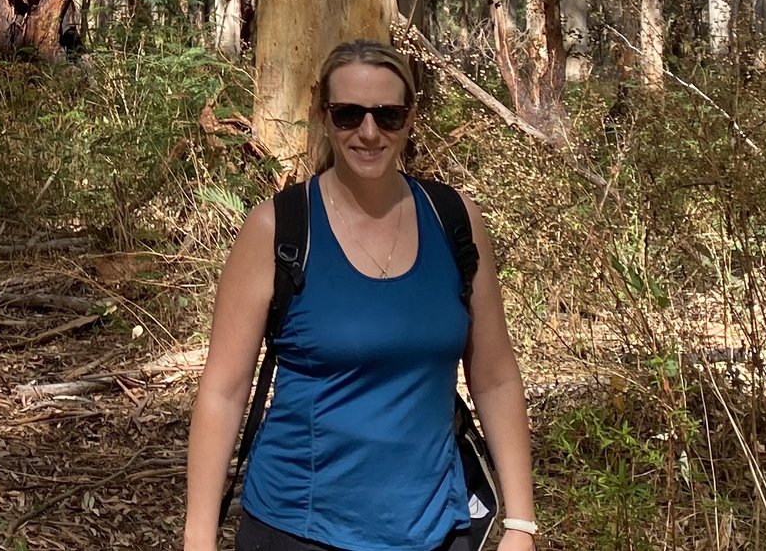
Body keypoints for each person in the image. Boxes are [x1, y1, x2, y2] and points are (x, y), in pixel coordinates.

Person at [182, 39, 539, 551]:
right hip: (300, 528)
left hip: (438, 528)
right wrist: (198, 537)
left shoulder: (455, 221)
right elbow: (223, 389)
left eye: (388, 116)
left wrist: (520, 524)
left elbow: (496, 377)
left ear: (410, 118)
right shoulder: (279, 228)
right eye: (349, 114)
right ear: (324, 116)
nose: (368, 132)